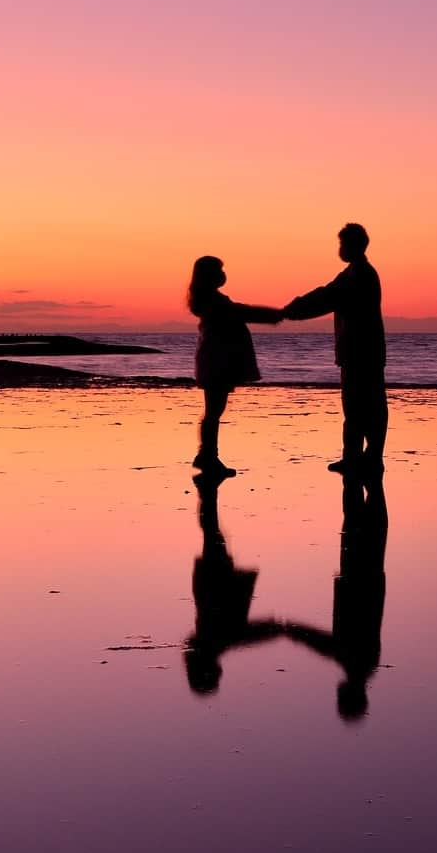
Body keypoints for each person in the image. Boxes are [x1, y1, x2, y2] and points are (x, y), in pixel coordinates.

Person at [284, 222, 387, 475]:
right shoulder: (353, 272)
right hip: (360, 351)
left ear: (353, 245)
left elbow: (327, 297)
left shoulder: (359, 275)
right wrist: (295, 308)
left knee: (360, 406)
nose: (339, 249)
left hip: (360, 352)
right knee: (362, 406)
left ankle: (363, 457)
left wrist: (293, 310)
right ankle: (361, 456)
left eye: (342, 244)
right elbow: (326, 293)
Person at [284, 475, 388, 721]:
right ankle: (363, 471)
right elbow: (327, 646)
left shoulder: (362, 665)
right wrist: (294, 633)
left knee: (364, 521)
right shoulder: (358, 664)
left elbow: (327, 646)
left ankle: (361, 472)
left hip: (364, 585)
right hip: (359, 586)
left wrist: (295, 633)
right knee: (360, 521)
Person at [184, 473, 284, 696]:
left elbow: (246, 635)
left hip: (215, 586)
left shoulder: (214, 643)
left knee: (213, 536)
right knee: (213, 536)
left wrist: (277, 630)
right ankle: (207, 493)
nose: (220, 673)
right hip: (210, 586)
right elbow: (247, 636)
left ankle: (207, 492)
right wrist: (277, 631)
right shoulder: (210, 645)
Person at [187, 255, 283, 476]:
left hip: (216, 360)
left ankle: (207, 455)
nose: (223, 274)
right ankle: (208, 457)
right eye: (219, 270)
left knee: (214, 410)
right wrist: (275, 314)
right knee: (214, 411)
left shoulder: (211, 299)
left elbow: (241, 312)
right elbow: (243, 312)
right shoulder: (213, 301)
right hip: (216, 362)